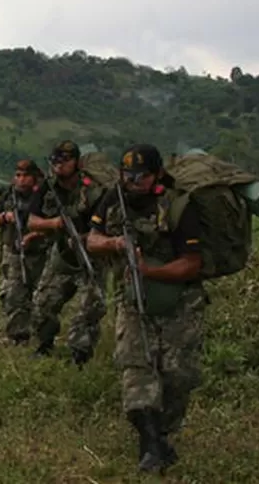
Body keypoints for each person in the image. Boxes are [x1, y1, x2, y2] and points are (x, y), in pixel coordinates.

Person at [86, 143, 205, 473]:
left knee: (178, 375)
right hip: (132, 298)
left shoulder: (178, 205)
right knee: (136, 368)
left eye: (141, 176)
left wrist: (149, 271)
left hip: (179, 299)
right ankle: (149, 445)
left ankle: (163, 436)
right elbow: (91, 239)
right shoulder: (115, 198)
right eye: (128, 175)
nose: (133, 181)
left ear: (157, 174)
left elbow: (192, 264)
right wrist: (115, 243)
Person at [27, 140, 108, 366]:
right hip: (62, 253)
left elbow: (105, 224)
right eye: (55, 161)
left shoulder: (93, 190)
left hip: (90, 255)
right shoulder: (48, 187)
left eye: (65, 160)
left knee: (91, 306)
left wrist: (85, 238)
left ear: (78, 162)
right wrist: (55, 223)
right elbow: (32, 221)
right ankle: (44, 344)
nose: (59, 166)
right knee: (43, 302)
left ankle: (80, 354)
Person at [0, 159, 49, 344]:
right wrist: (6, 217)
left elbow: (54, 224)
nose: (21, 180)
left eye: (26, 176)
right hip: (13, 252)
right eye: (18, 176)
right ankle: (18, 337)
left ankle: (43, 336)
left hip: (40, 253)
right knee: (13, 295)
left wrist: (33, 235)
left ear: (35, 178)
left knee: (42, 296)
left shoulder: (44, 197)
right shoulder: (9, 196)